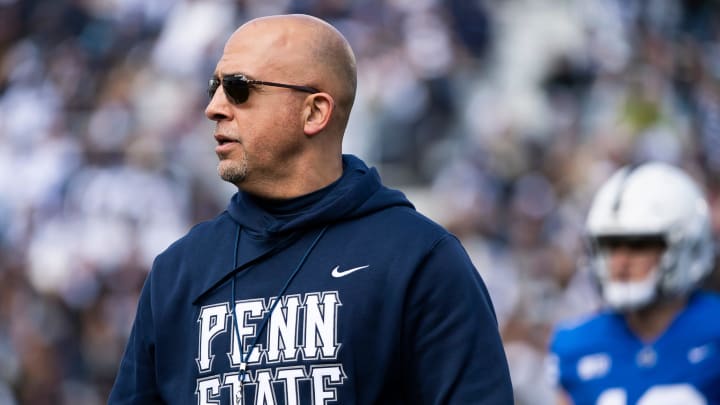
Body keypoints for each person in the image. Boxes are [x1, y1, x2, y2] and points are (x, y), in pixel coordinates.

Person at [109, 14, 513, 405]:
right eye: (214, 86)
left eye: (239, 88)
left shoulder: (419, 258)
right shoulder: (179, 269)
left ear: (315, 111)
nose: (214, 107)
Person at [549, 161, 720, 405]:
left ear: (685, 246)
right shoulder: (575, 344)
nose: (620, 262)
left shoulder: (714, 330)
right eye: (610, 246)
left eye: (639, 245)